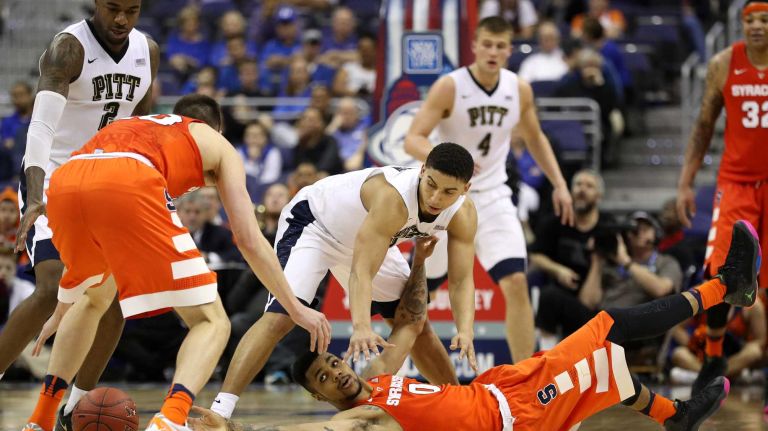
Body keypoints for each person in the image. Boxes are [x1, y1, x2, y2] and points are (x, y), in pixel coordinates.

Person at [192, 220, 761, 431]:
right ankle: (719, 288)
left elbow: (411, 326)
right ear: (319, 395)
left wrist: (416, 261)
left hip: (504, 392)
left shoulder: (382, 377)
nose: (336, 371)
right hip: (516, 418)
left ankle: (675, 417)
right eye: (324, 376)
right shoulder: (366, 417)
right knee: (607, 327)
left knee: (607, 369)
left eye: (332, 360)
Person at [17, 95, 330, 431]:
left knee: (95, 295)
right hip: (128, 178)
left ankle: (40, 420)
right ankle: (171, 419)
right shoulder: (218, 144)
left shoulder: (142, 127)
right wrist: (296, 310)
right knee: (212, 321)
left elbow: (94, 199)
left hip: (65, 183)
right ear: (215, 128)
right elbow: (250, 241)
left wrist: (63, 308)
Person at [209, 143, 480, 420]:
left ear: (465, 190)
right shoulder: (393, 198)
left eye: (448, 192)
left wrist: (466, 330)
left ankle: (463, 407)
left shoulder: (463, 213)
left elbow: (460, 280)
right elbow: (361, 271)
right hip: (315, 226)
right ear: (422, 171)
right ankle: (219, 411)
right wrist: (361, 326)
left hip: (366, 240)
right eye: (431, 184)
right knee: (282, 316)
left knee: (414, 320)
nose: (435, 197)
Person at [1, 2, 159, 430]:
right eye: (112, 9)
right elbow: (40, 130)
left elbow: (140, 129)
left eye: (132, 10)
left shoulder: (148, 50)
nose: (122, 20)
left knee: (114, 301)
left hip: (108, 185)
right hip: (55, 180)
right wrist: (35, 196)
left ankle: (77, 405)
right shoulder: (68, 48)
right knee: (53, 286)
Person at [404, 16, 573, 363]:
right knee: (420, 290)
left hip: (493, 196)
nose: (493, 52)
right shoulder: (450, 86)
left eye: (500, 46)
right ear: (475, 46)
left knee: (515, 282)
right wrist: (450, 161)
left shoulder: (519, 89)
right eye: (487, 44)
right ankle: (390, 369)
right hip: (447, 198)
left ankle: (525, 378)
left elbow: (535, 137)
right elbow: (412, 139)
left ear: (509, 51)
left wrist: (559, 184)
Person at [676, 0, 768, 400]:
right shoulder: (722, 64)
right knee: (721, 271)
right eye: (750, 20)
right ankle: (712, 356)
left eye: (764, 20)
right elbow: (702, 127)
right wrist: (685, 183)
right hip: (736, 184)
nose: (757, 27)